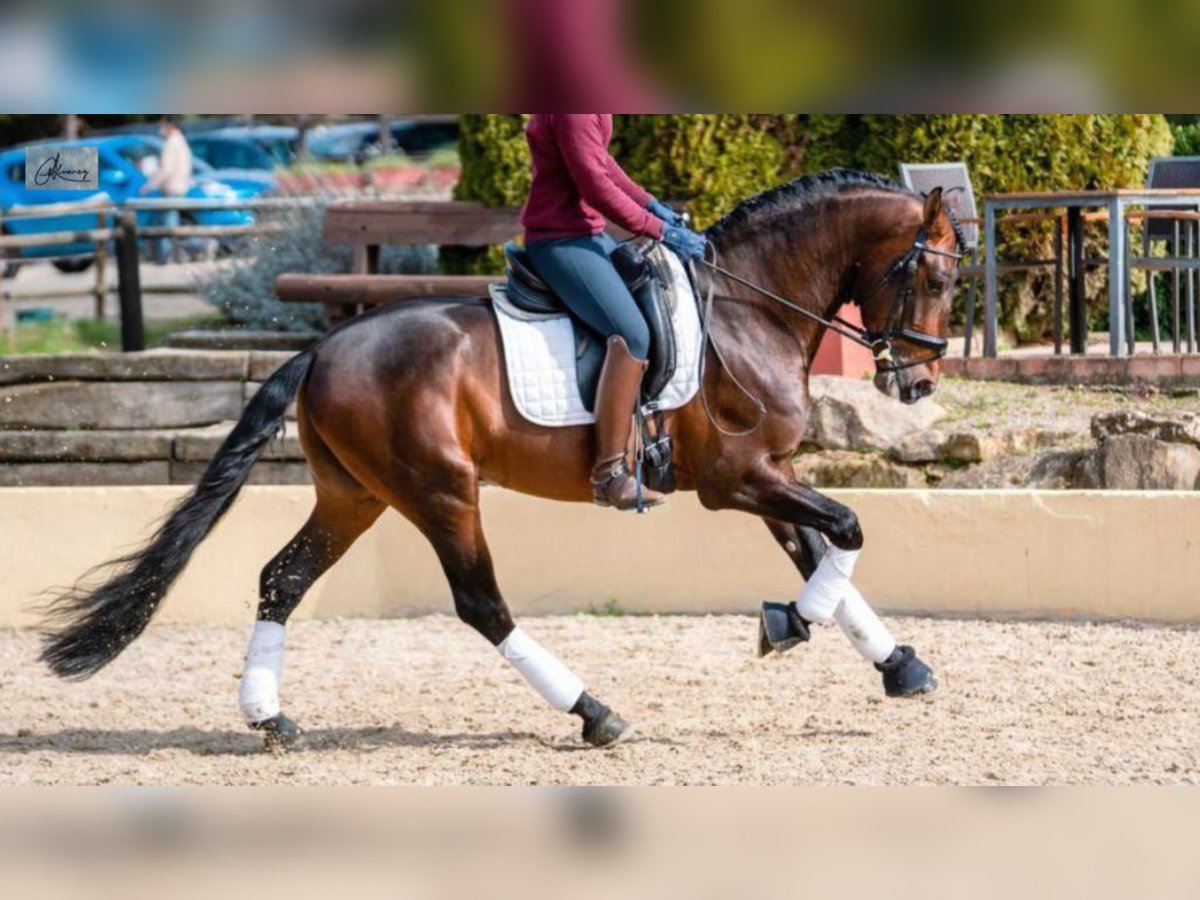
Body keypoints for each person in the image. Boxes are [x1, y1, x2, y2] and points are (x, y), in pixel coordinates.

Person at [521, 114, 707, 511]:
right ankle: (608, 474)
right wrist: (657, 229)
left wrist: (650, 204)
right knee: (632, 335)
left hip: (586, 234)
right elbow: (595, 185)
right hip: (560, 239)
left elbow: (603, 163)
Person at [140, 115, 193, 264]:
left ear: (170, 125)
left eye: (163, 125)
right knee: (173, 225)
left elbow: (166, 170)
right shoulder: (181, 141)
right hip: (181, 187)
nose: (161, 129)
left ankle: (166, 258)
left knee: (168, 227)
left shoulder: (171, 143)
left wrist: (150, 185)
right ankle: (174, 256)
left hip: (172, 189)